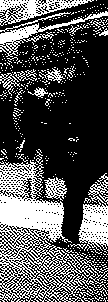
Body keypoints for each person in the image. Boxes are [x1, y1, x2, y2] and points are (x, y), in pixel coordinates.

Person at [47, 50, 107, 247]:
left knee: (75, 191)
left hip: (92, 145)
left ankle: (69, 236)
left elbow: (63, 118)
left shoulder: (74, 87)